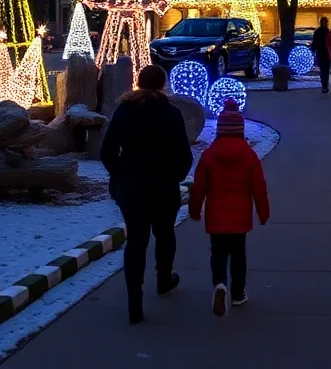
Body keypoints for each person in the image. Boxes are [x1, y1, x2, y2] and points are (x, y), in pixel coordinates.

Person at [100, 64, 194, 324]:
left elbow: (107, 151)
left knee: (136, 241)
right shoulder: (171, 114)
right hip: (163, 187)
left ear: (139, 83)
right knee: (165, 234)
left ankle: (134, 298)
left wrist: (119, 176)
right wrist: (174, 176)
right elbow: (184, 156)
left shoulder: (124, 111)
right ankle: (164, 278)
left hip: (131, 187)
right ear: (162, 84)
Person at [189, 98, 271, 316]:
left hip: (216, 215)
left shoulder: (208, 155)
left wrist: (194, 210)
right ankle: (237, 292)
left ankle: (219, 283)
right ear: (240, 130)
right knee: (238, 253)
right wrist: (263, 213)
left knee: (217, 252)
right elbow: (259, 187)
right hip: (240, 217)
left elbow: (199, 186)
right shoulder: (249, 156)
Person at [312, 17, 331, 93]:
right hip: (323, 52)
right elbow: (315, 42)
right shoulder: (322, 31)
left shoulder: (326, 31)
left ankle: (325, 86)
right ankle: (324, 86)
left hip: (325, 53)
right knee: (324, 70)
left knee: (324, 70)